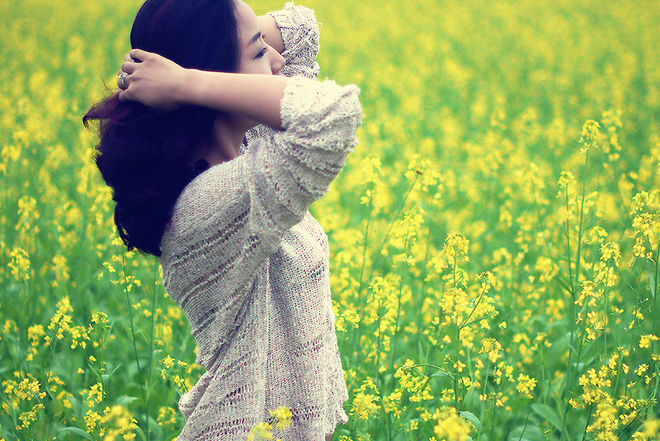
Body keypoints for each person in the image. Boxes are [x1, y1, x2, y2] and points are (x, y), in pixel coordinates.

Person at [84, 0, 362, 439]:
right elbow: (332, 116)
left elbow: (300, 29)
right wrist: (188, 79)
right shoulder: (210, 204)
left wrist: (214, 41)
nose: (278, 61)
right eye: (257, 53)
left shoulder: (245, 148)